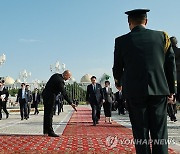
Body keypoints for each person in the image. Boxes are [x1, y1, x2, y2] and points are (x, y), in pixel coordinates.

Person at [113, 9, 176, 154]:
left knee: (140, 132)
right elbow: (170, 65)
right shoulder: (162, 37)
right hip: (159, 90)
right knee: (159, 132)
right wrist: (172, 90)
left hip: (134, 93)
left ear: (129, 23)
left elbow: (117, 67)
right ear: (146, 21)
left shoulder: (121, 41)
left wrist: (119, 84)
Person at [42, 70, 77, 137]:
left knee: (46, 113)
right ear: (65, 75)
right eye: (69, 77)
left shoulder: (55, 75)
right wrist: (71, 103)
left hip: (45, 95)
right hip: (50, 97)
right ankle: (50, 131)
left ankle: (46, 130)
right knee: (49, 114)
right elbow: (64, 94)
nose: (68, 79)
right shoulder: (60, 81)